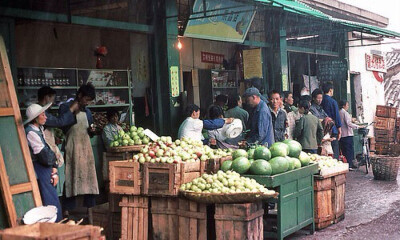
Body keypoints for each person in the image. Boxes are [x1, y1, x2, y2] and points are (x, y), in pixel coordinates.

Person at [59, 83, 98, 216]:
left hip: (85, 147)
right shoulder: (65, 107)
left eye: (89, 101)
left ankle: (90, 208)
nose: (87, 103)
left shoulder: (87, 112)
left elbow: (91, 129)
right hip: (72, 146)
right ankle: (67, 208)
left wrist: (92, 130)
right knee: (71, 176)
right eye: (86, 99)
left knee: (90, 176)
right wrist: (72, 110)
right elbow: (62, 124)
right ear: (79, 95)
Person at [24, 103, 62, 222]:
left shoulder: (39, 129)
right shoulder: (31, 132)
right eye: (43, 114)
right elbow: (45, 156)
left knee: (53, 197)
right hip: (40, 168)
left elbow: (48, 152)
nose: (45, 117)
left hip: (46, 168)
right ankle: (54, 226)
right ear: (36, 118)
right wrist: (53, 166)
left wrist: (54, 169)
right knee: (49, 199)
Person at [37, 86, 79, 167]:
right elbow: (59, 122)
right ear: (47, 97)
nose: (53, 102)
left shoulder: (43, 110)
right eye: (52, 99)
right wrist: (71, 109)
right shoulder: (40, 111)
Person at [321, 82, 342, 160]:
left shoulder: (321, 101)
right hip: (332, 129)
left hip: (323, 129)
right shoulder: (333, 102)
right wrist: (339, 129)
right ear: (330, 90)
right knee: (334, 150)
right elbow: (337, 116)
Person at [339, 100, 359, 170]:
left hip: (342, 134)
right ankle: (349, 165)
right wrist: (357, 126)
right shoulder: (345, 113)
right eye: (347, 105)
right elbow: (349, 123)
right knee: (349, 150)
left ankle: (345, 164)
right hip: (348, 134)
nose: (348, 106)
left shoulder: (339, 112)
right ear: (344, 105)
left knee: (344, 150)